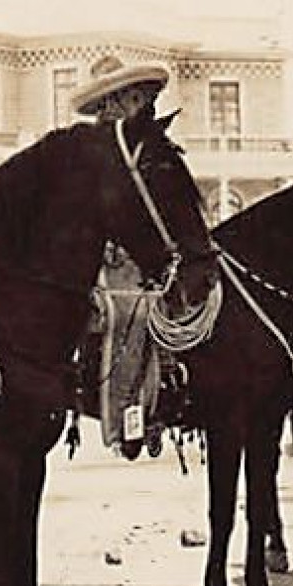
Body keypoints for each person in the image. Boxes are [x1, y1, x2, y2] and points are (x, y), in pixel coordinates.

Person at [70, 56, 174, 458]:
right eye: (127, 100)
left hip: (139, 258)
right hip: (98, 258)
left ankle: (157, 405)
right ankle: (125, 416)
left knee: (161, 311)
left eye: (140, 100)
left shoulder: (147, 148)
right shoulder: (86, 151)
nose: (135, 108)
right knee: (123, 314)